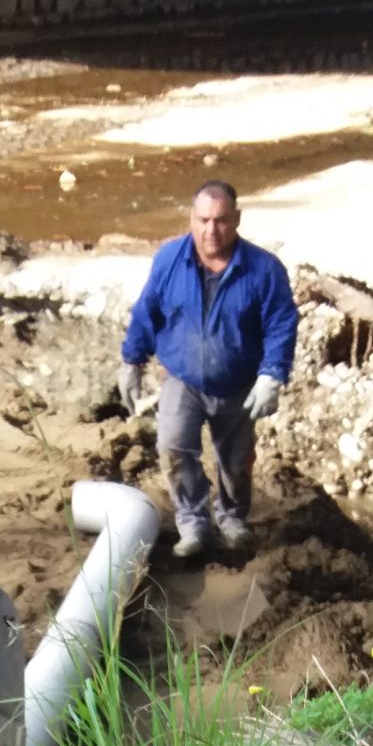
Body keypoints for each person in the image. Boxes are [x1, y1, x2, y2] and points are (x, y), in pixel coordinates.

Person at [119, 180, 299, 563]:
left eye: (221, 220)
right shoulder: (169, 260)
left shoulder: (263, 270)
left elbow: (281, 323)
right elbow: (147, 311)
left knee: (235, 460)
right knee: (173, 448)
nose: (211, 230)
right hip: (182, 377)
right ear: (191, 218)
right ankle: (192, 523)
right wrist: (131, 360)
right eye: (203, 220)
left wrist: (272, 374)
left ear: (237, 219)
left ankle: (232, 518)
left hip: (238, 382)